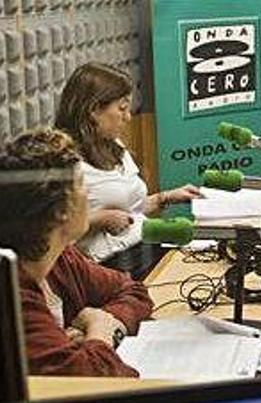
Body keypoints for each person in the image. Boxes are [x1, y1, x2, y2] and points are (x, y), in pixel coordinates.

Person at [0, 129, 153, 376]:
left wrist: (102, 324)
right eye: (83, 185)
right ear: (62, 210)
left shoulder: (63, 257)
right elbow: (87, 381)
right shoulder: (13, 293)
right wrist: (100, 333)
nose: (88, 195)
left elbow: (133, 290)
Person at [55, 62, 202, 277]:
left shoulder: (114, 145)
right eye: (122, 108)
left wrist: (165, 198)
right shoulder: (64, 161)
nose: (128, 117)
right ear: (94, 110)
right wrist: (96, 219)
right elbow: (49, 234)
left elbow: (129, 210)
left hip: (148, 244)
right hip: (110, 266)